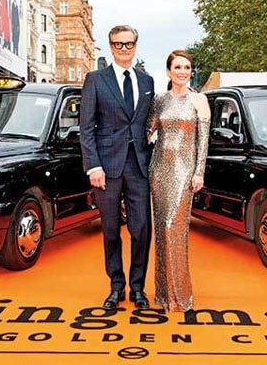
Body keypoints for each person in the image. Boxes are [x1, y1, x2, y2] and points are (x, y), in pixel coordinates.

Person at [80, 25, 155, 310]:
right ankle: (116, 286)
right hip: (106, 168)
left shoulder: (147, 81)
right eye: (118, 44)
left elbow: (147, 122)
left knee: (141, 229)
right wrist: (93, 166)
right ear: (110, 47)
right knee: (111, 230)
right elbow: (86, 128)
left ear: (136, 45)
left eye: (129, 44)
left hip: (138, 166)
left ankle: (138, 288)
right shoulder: (96, 79)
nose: (124, 49)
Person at [146, 50, 210, 312]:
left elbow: (203, 140)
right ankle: (163, 294)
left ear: (190, 71)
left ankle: (181, 295)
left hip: (185, 173)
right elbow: (147, 130)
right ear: (168, 71)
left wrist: (199, 172)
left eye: (187, 67)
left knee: (175, 228)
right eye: (177, 67)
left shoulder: (200, 101)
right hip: (159, 171)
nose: (182, 71)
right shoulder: (159, 101)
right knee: (162, 231)